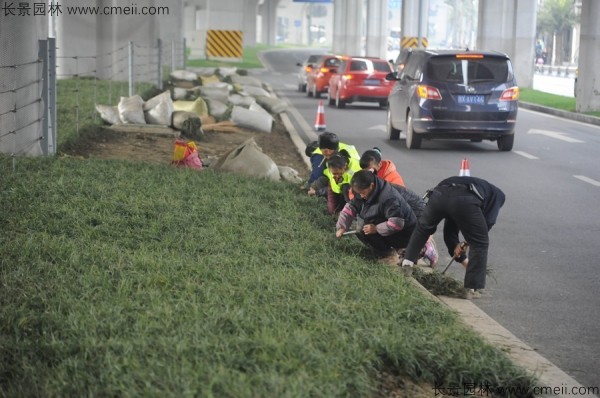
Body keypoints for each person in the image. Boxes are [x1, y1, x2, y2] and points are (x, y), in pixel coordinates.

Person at [400, 176, 506, 298]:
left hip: (439, 194)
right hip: (464, 198)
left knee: (423, 229)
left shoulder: (480, 186)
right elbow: (488, 222)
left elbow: (449, 234)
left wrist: (462, 255)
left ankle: (406, 264)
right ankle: (471, 288)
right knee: (480, 242)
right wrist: (467, 242)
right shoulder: (498, 196)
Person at [335, 170, 416, 265]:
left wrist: (376, 229)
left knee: (365, 230)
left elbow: (396, 223)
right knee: (362, 229)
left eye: (363, 193)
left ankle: (390, 255)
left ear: (371, 186)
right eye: (359, 193)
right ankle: (385, 251)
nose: (361, 196)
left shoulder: (388, 198)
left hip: (405, 232)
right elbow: (351, 207)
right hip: (388, 224)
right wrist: (342, 227)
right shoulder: (361, 190)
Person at [307, 132, 359, 197]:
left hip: (352, 186)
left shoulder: (319, 155)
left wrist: (311, 188)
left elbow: (316, 174)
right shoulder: (341, 149)